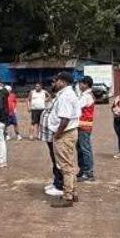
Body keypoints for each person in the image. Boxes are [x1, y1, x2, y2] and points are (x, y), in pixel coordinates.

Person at [47, 72, 81, 208]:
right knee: (69, 164)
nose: (55, 83)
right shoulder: (67, 94)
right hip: (68, 132)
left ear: (63, 82)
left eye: (57, 81)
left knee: (65, 166)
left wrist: (57, 134)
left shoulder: (65, 96)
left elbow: (65, 119)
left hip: (65, 133)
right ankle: (73, 192)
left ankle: (68, 197)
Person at [38, 96, 64, 197]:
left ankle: (60, 185)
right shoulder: (55, 98)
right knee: (54, 158)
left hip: (55, 134)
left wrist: (57, 134)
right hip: (50, 134)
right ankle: (56, 182)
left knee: (58, 159)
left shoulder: (62, 98)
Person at [75, 76, 96, 182]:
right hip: (82, 124)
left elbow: (77, 106)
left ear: (86, 84)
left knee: (85, 149)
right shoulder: (85, 95)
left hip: (84, 125)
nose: (79, 85)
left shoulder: (86, 96)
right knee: (80, 148)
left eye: (81, 83)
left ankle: (88, 172)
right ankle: (83, 170)